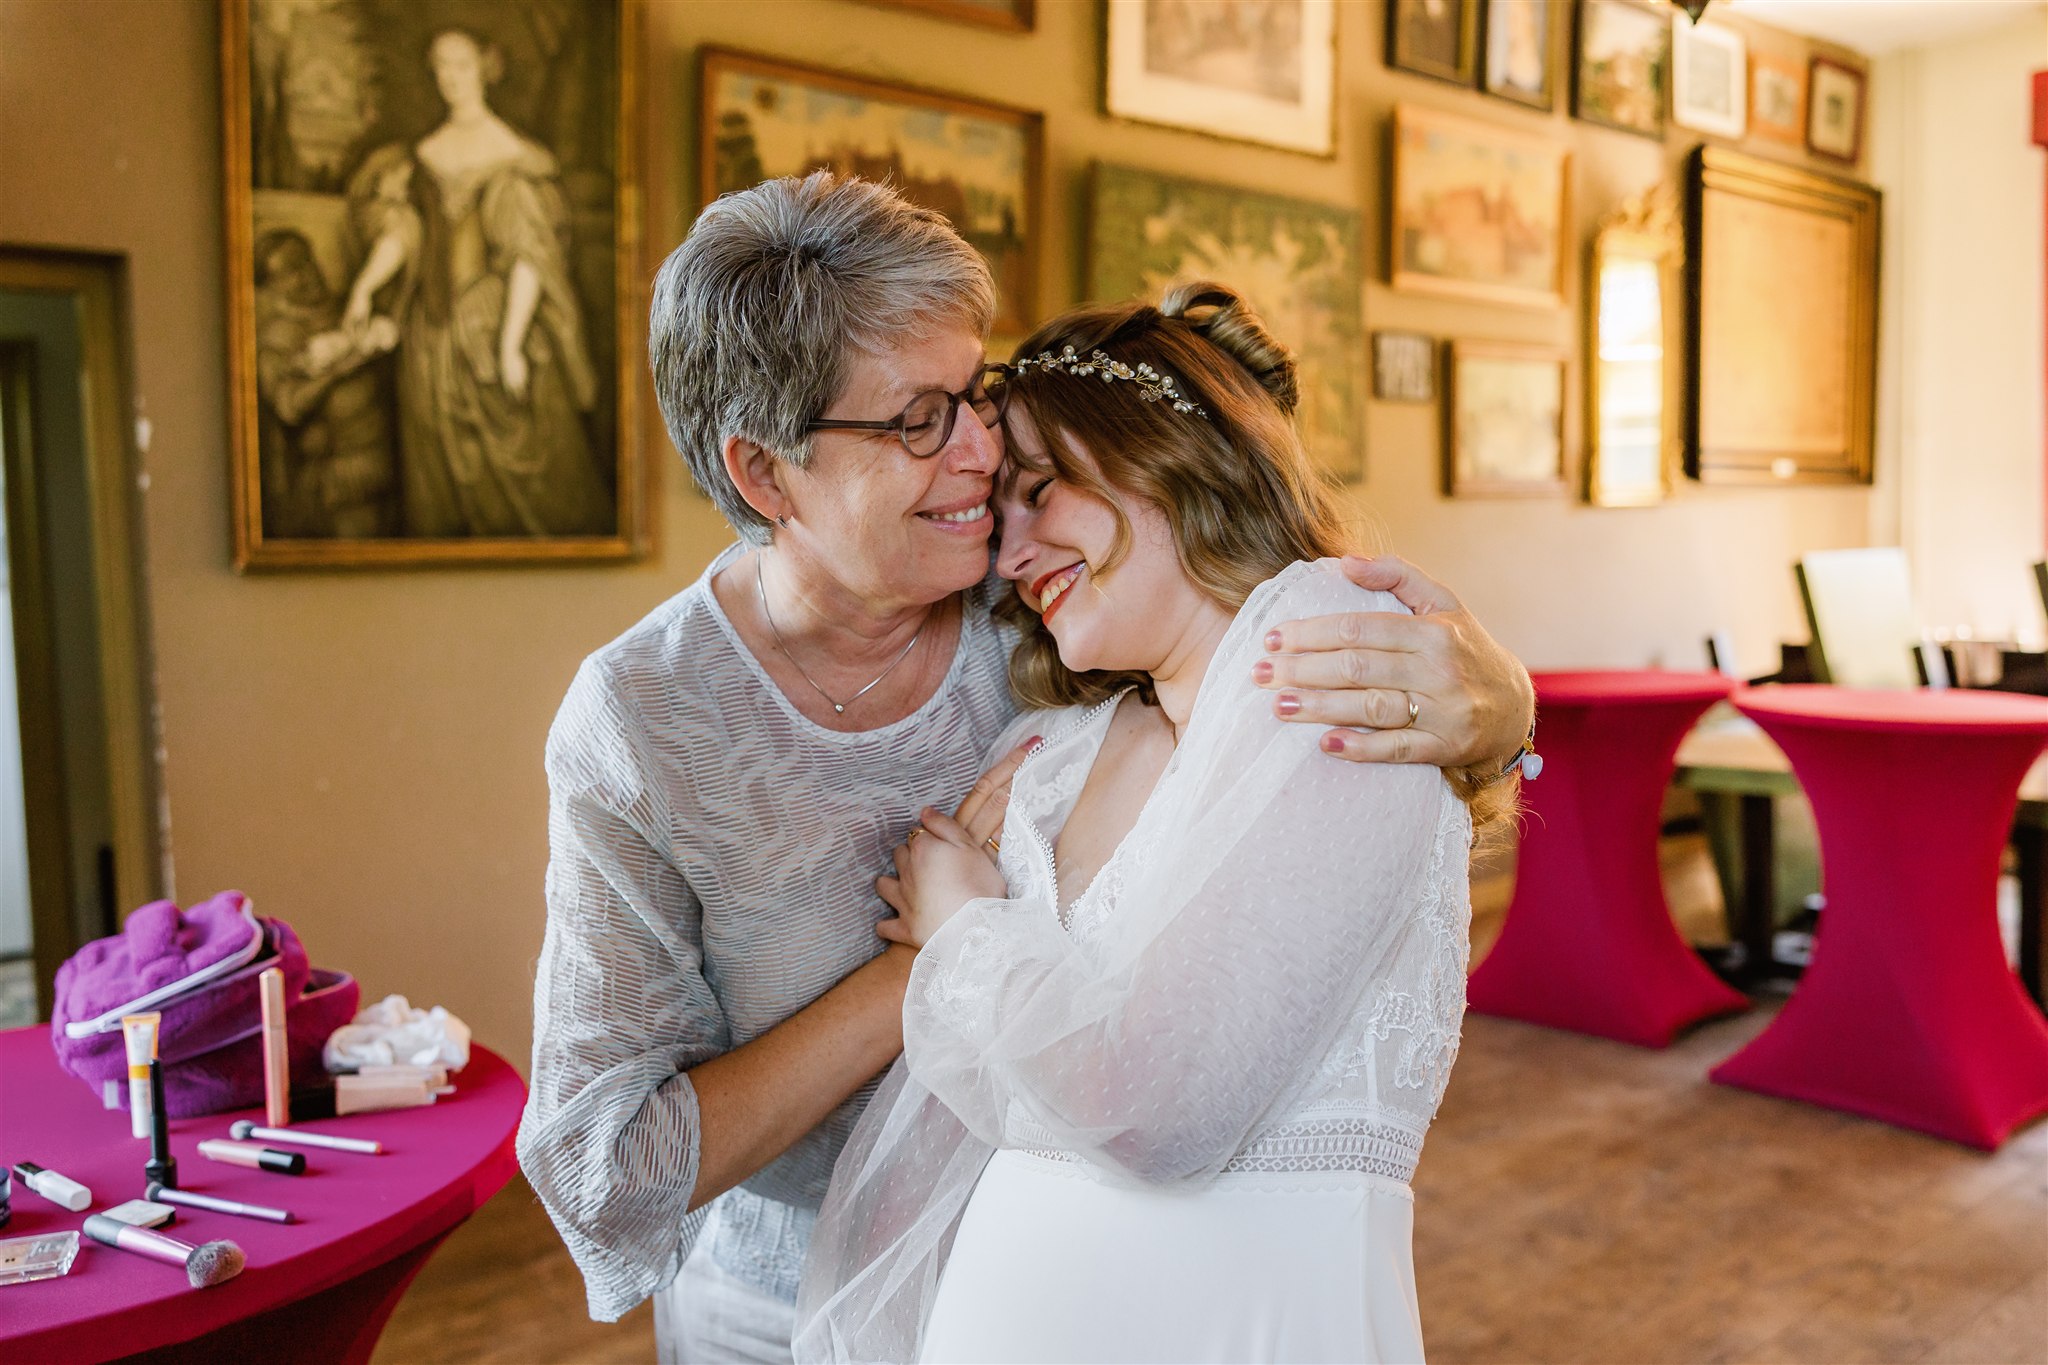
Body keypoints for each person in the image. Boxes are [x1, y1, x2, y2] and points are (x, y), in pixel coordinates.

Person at [518, 172, 1534, 1364]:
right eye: (915, 421)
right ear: (765, 476)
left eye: (975, 399)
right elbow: (603, 1167)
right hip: (786, 1301)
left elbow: (1240, 623)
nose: (975, 461)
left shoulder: (1045, 613)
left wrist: (1499, 707)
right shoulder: (644, 718)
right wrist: (915, 972)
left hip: (1131, 1282)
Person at [793, 284, 1504, 1364]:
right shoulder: (1057, 750)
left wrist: (966, 928)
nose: (1010, 552)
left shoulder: (1324, 649)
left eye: (1040, 492)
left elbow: (1149, 1115)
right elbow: (969, 1115)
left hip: (1233, 1325)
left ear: (1169, 457)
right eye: (998, 516)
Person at [341, 28, 613, 538]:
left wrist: (510, 343)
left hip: (495, 324)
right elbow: (405, 234)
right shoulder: (421, 156)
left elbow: (528, 258)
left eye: (461, 65)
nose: (451, 78)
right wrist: (363, 288)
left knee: (523, 475)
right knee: (438, 477)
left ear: (484, 69)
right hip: (431, 340)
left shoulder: (514, 159)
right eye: (441, 66)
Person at [252, 227, 399, 538]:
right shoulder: (276, 339)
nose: (308, 274)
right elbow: (290, 407)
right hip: (340, 480)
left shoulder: (348, 307)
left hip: (385, 463)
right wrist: (340, 369)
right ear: (272, 286)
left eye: (307, 261)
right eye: (291, 271)